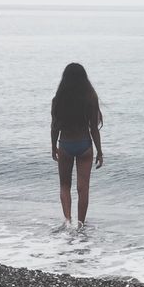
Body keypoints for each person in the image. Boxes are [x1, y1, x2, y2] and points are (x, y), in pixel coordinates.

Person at [50, 62, 105, 227]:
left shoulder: (58, 100)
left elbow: (55, 127)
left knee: (65, 185)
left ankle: (68, 221)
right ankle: (80, 224)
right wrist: (100, 151)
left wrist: (53, 147)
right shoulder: (90, 98)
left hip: (65, 144)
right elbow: (94, 129)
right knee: (83, 188)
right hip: (84, 146)